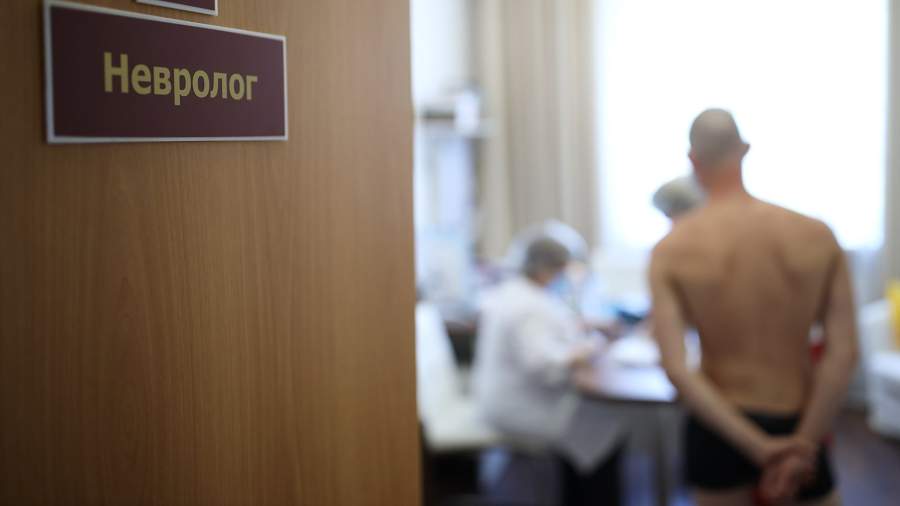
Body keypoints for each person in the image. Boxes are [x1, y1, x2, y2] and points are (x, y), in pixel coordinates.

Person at [649, 109, 858, 506]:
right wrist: (802, 445)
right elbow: (843, 353)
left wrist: (757, 447)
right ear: (744, 149)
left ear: (693, 159)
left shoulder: (670, 251)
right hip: (800, 419)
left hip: (719, 423)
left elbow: (676, 368)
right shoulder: (817, 235)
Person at [473, 237, 626, 506]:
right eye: (562, 269)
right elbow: (543, 364)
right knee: (605, 433)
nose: (566, 277)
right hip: (522, 408)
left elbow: (550, 331)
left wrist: (583, 330)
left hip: (508, 398)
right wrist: (589, 349)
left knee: (599, 427)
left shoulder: (516, 292)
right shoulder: (528, 306)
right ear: (546, 269)